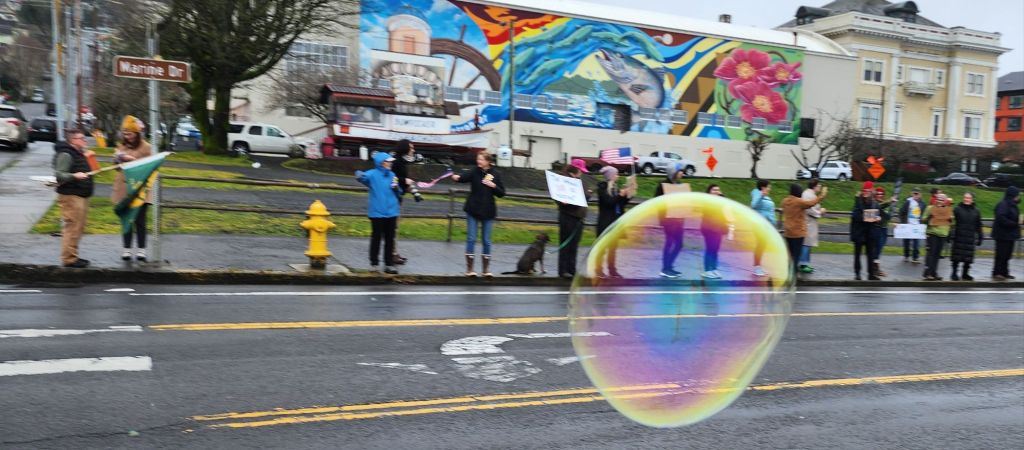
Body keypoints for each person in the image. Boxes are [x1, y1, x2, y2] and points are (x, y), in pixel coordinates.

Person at [453, 152, 505, 277]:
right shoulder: (474, 171)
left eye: (481, 159)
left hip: (488, 210)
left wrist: (494, 186)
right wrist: (456, 177)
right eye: (478, 159)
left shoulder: (495, 174)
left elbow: (502, 193)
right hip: (473, 209)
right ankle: (470, 269)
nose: (479, 161)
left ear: (488, 161)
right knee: (471, 238)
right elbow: (463, 178)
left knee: (486, 240)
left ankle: (486, 270)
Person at [110, 116, 153, 262]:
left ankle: (142, 250)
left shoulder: (146, 147)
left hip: (140, 190)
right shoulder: (121, 147)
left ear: (137, 134)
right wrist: (117, 159)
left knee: (140, 221)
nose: (127, 137)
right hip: (123, 189)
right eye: (125, 134)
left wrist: (132, 160)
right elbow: (116, 167)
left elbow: (149, 167)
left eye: (130, 134)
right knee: (126, 220)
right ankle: (126, 249)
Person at [355, 151, 403, 274]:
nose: (391, 164)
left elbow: (400, 192)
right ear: (382, 163)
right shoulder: (372, 175)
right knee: (376, 238)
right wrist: (359, 174)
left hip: (392, 212)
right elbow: (361, 177)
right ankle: (374, 263)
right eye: (389, 162)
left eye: (391, 162)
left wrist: (397, 188)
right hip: (377, 212)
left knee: (389, 239)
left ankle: (388, 264)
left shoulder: (393, 175)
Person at [53, 129, 94, 268]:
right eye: (81, 138)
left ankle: (73, 256)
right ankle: (69, 259)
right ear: (73, 140)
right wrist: (75, 176)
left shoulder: (77, 153)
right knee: (72, 227)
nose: (84, 140)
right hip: (71, 196)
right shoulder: (66, 154)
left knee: (78, 227)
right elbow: (59, 174)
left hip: (79, 195)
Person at [594, 165, 633, 278]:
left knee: (613, 248)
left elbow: (620, 204)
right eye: (616, 174)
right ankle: (598, 269)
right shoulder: (602, 187)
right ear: (610, 175)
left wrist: (627, 195)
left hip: (616, 221)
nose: (618, 176)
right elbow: (608, 202)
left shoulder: (615, 187)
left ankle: (612, 269)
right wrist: (620, 195)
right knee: (602, 248)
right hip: (606, 221)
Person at [782, 183, 827, 276]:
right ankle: (793, 275)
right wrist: (821, 196)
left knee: (790, 253)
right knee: (796, 255)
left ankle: (788, 271)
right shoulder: (798, 202)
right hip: (798, 232)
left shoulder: (785, 201)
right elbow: (811, 203)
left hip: (788, 232)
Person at [655, 163, 687, 278]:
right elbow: (657, 202)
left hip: (679, 219)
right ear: (673, 172)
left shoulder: (679, 185)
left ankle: (669, 266)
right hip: (668, 219)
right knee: (669, 243)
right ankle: (665, 268)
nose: (682, 173)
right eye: (680, 171)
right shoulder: (663, 185)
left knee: (679, 244)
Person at [556, 163, 588, 279]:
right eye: (581, 170)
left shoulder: (580, 181)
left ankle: (571, 269)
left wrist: (587, 195)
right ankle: (563, 270)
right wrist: (562, 202)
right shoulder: (563, 180)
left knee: (574, 245)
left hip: (579, 218)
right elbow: (558, 196)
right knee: (566, 244)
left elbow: (584, 196)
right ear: (575, 169)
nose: (582, 173)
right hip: (567, 216)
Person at [388, 139, 416, 265]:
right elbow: (392, 178)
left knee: (395, 227)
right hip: (394, 198)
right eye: (411, 148)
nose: (413, 150)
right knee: (393, 226)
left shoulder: (401, 161)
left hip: (398, 196)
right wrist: (405, 181)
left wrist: (407, 186)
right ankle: (392, 253)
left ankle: (394, 252)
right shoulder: (397, 161)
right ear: (405, 148)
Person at [949, 192, 983, 281]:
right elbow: (951, 223)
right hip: (959, 236)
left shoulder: (976, 211)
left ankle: (965, 274)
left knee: (968, 257)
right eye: (965, 197)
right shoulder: (957, 209)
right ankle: (954, 273)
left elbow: (978, 225)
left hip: (970, 236)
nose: (966, 199)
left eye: (968, 198)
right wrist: (949, 234)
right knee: (956, 256)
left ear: (972, 199)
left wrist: (980, 236)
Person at [850, 181, 880, 280]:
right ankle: (857, 273)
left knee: (870, 254)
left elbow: (877, 215)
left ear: (872, 191)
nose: (866, 192)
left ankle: (871, 274)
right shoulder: (858, 201)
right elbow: (855, 216)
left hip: (869, 233)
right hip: (859, 232)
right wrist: (868, 217)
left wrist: (877, 218)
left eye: (868, 190)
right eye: (864, 190)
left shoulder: (874, 203)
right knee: (857, 254)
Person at [991, 186, 1021, 281]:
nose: (1018, 197)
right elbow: (1001, 218)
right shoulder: (1003, 205)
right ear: (1012, 195)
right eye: (1017, 195)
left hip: (1009, 235)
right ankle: (997, 272)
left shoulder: (1012, 205)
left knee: (1007, 255)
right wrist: (1015, 223)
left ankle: (1004, 272)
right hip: (1002, 235)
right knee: (1001, 254)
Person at [921, 193, 953, 281]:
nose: (940, 201)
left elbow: (952, 222)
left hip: (943, 234)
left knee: (937, 255)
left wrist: (950, 220)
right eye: (938, 199)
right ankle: (927, 273)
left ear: (945, 201)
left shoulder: (947, 209)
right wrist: (929, 217)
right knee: (931, 253)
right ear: (936, 199)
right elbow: (923, 219)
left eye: (942, 200)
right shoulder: (930, 208)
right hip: (932, 233)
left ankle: (934, 272)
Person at [700, 184, 728, 279]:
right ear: (709, 191)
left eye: (718, 189)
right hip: (709, 228)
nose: (716, 191)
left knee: (715, 250)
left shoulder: (720, 201)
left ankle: (714, 269)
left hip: (718, 228)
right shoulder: (706, 201)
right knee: (710, 249)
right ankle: (707, 270)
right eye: (714, 190)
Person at [799, 179, 826, 273]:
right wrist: (820, 212)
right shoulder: (808, 194)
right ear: (814, 186)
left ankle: (806, 263)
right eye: (819, 186)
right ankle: (802, 264)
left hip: (810, 222)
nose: (820, 187)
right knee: (806, 243)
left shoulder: (810, 194)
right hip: (808, 222)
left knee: (808, 243)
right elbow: (809, 209)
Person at [750, 179, 775, 277]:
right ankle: (756, 267)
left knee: (762, 246)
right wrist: (761, 195)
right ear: (763, 187)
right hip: (759, 225)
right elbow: (753, 205)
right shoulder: (758, 194)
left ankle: (758, 266)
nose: (770, 188)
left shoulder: (766, 197)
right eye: (769, 186)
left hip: (766, 225)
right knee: (760, 246)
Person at [870, 187, 895, 277]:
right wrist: (889, 201)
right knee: (876, 249)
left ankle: (876, 268)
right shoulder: (874, 204)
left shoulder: (884, 205)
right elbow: (879, 207)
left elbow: (887, 217)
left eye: (882, 194)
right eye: (878, 194)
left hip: (884, 229)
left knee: (879, 250)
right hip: (877, 229)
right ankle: (874, 269)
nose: (880, 196)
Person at [898, 187, 925, 263]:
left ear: (920, 194)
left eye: (917, 193)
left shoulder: (923, 204)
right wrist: (903, 222)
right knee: (906, 242)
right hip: (908, 225)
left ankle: (915, 257)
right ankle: (906, 255)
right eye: (914, 193)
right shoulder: (908, 202)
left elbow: (923, 214)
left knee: (916, 242)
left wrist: (922, 223)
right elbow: (901, 212)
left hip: (917, 226)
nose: (916, 195)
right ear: (912, 194)